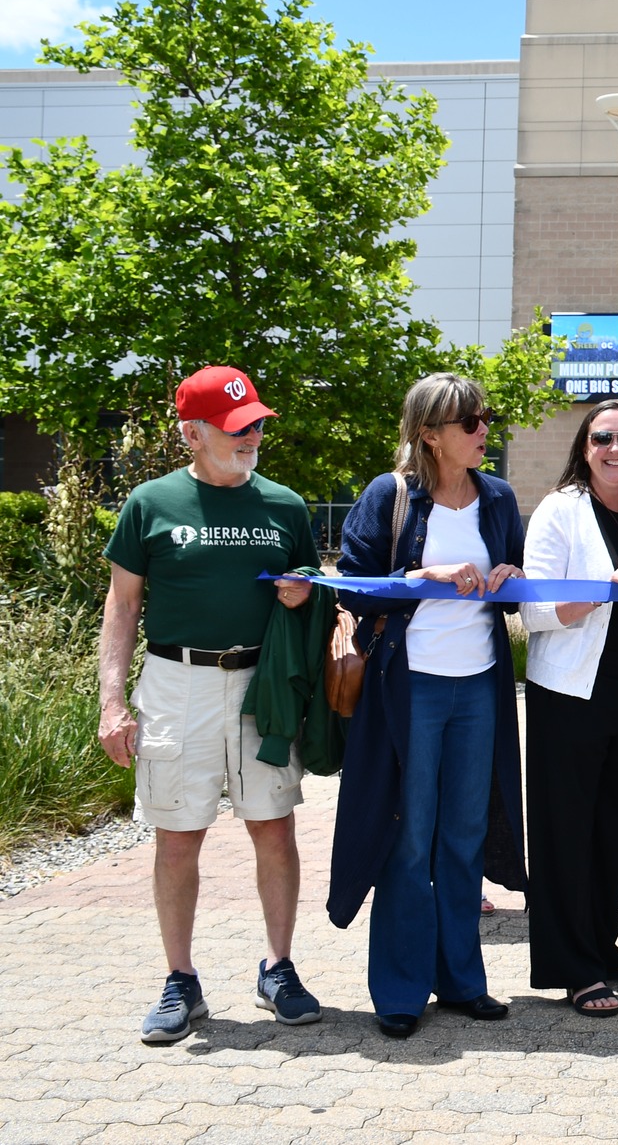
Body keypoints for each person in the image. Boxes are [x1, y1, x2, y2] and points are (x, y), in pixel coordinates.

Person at [97, 366, 323, 1044]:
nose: (252, 434)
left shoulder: (284, 505)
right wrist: (112, 702)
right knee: (177, 834)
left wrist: (304, 591)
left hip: (261, 685)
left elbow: (314, 583)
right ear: (192, 433)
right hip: (176, 682)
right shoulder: (150, 502)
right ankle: (180, 980)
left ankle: (278, 967)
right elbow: (122, 604)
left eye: (256, 422)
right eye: (236, 426)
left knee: (274, 826)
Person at [328, 373, 527, 1038]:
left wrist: (513, 579)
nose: (483, 430)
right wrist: (422, 578)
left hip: (479, 685)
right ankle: (402, 989)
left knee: (462, 837)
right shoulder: (390, 496)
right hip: (408, 687)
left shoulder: (496, 497)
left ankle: (463, 980)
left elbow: (519, 580)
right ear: (429, 434)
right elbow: (353, 585)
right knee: (409, 840)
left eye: (485, 418)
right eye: (470, 421)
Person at [519, 400, 618, 1017]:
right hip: (570, 695)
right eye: (602, 438)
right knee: (566, 833)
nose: (616, 448)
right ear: (584, 448)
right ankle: (572, 966)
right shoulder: (560, 510)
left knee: (613, 828)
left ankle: (602, 947)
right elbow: (532, 611)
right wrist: (602, 588)